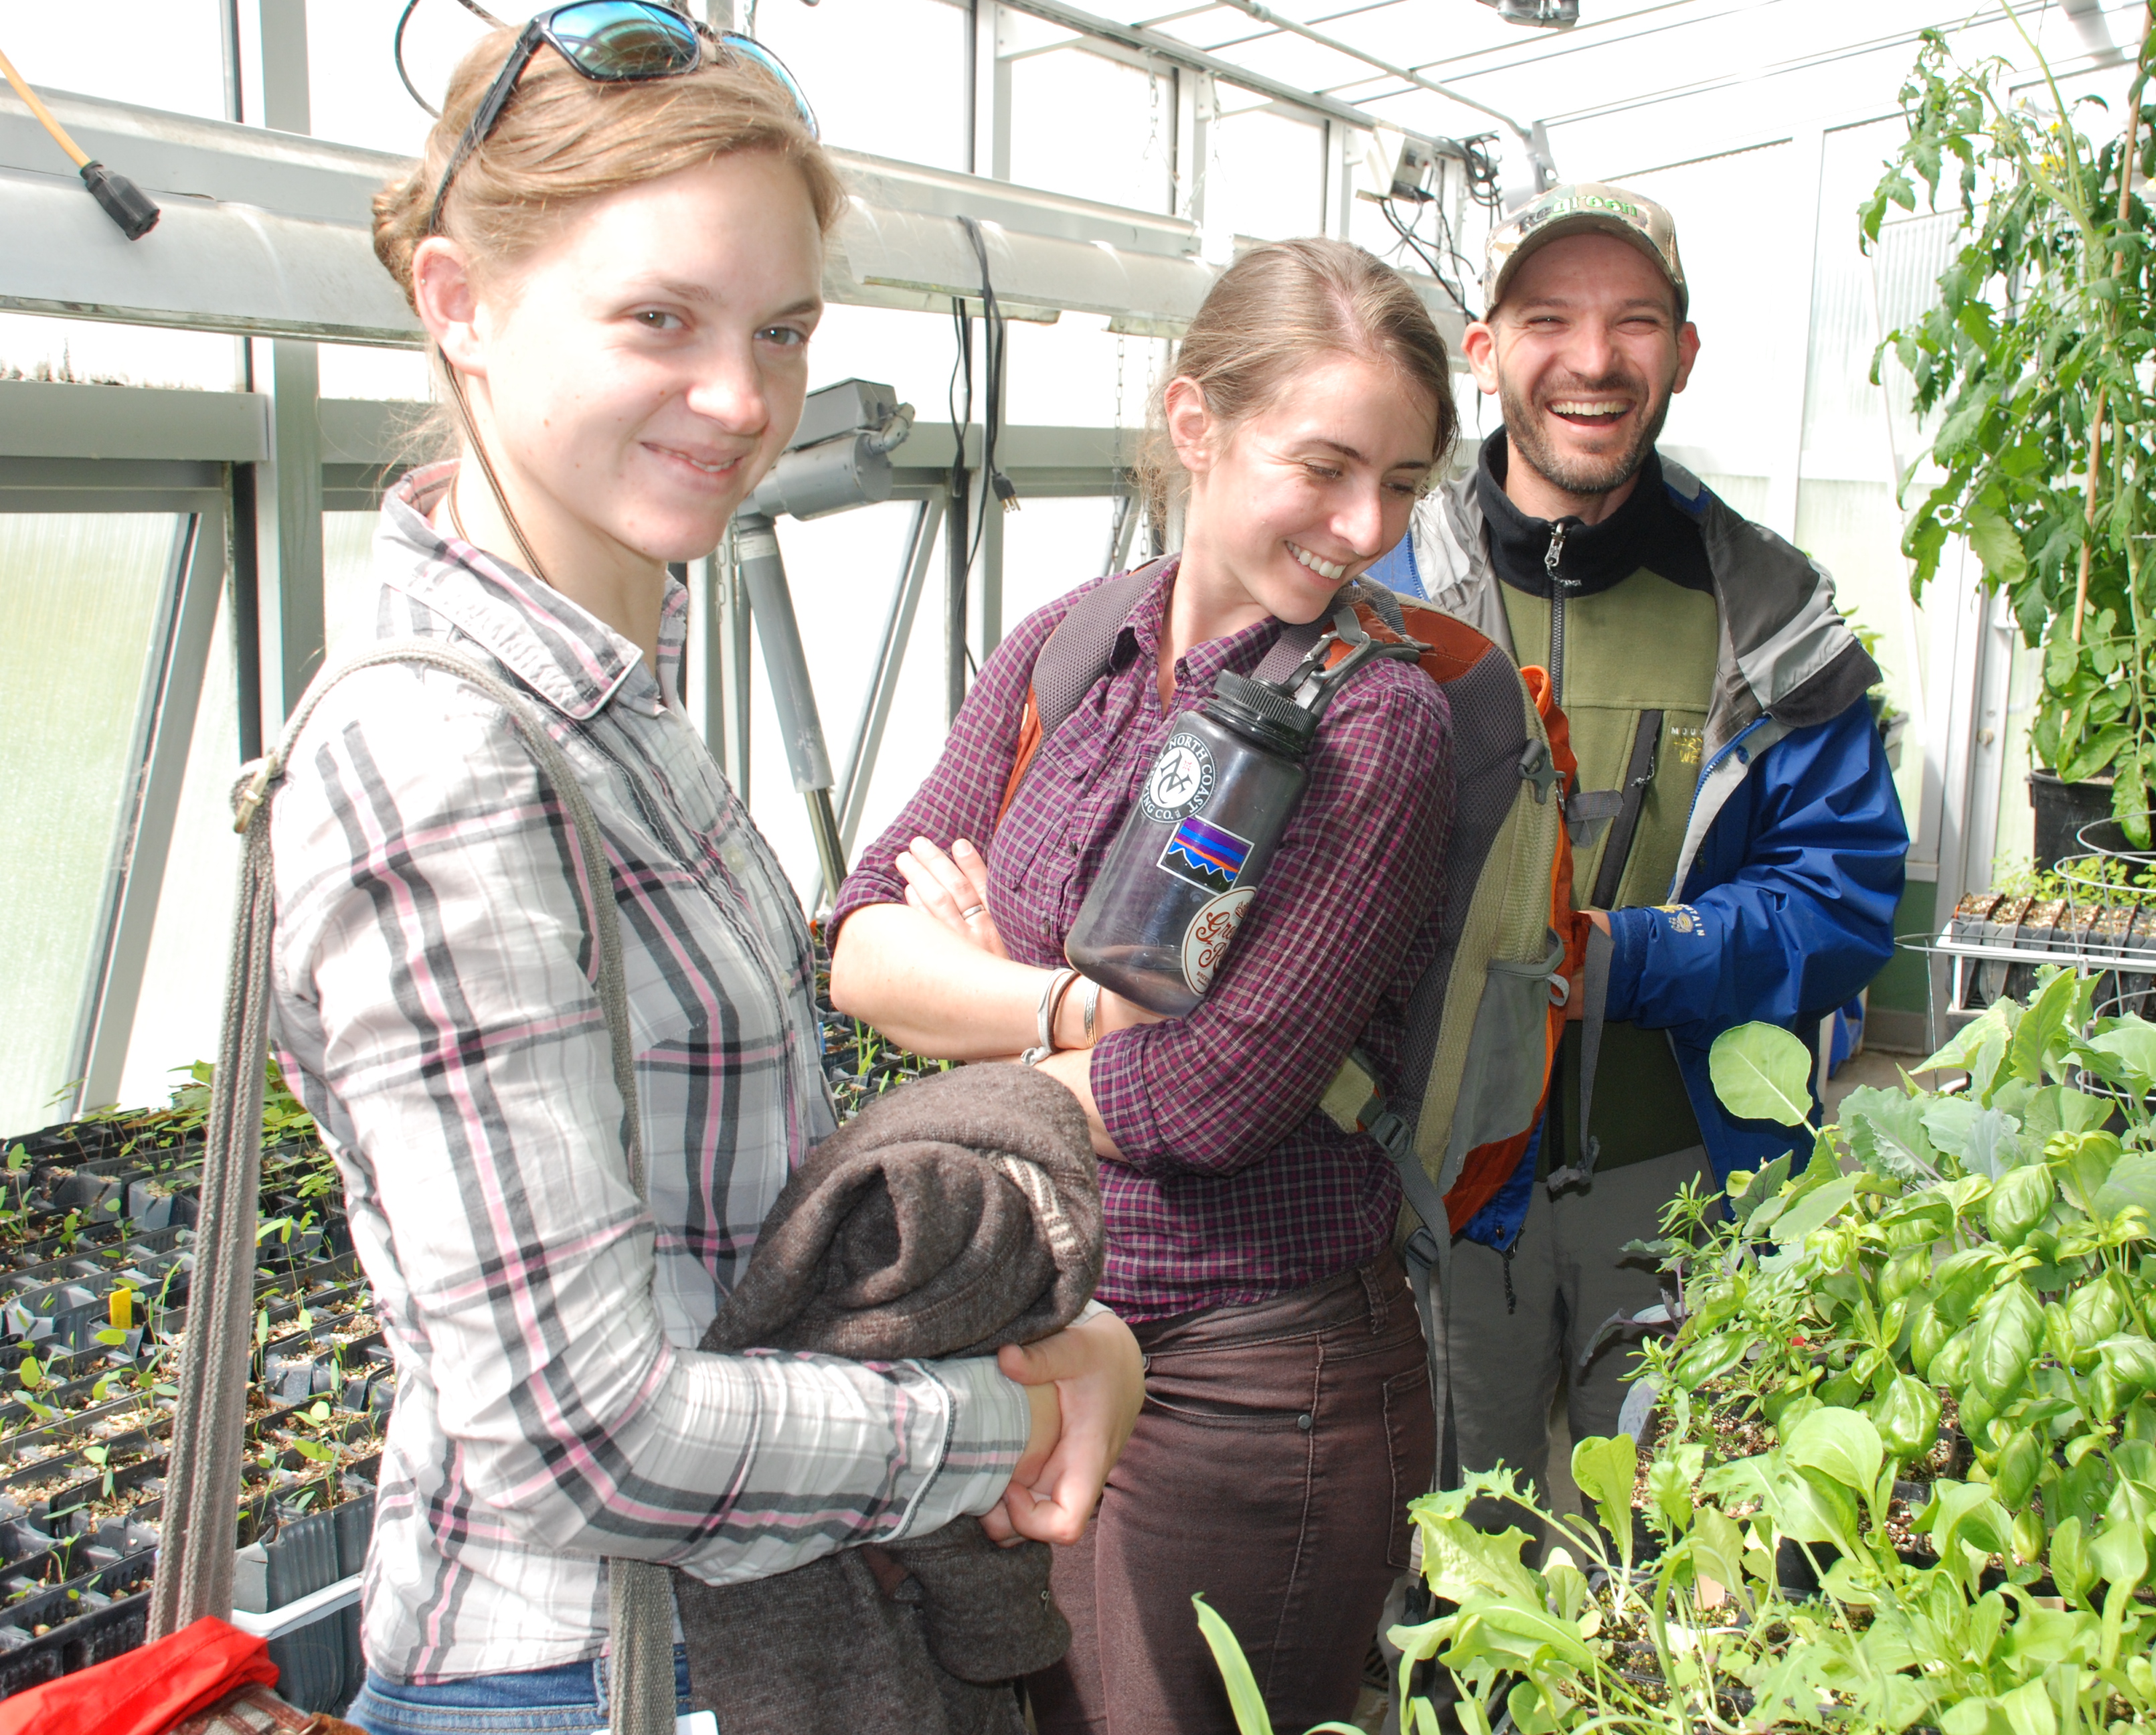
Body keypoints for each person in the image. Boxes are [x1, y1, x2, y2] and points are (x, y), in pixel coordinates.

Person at [270, 15, 1141, 1732]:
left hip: (694, 1645)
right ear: (463, 304)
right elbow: (582, 1433)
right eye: (657, 319)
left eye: (782, 330)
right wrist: (1013, 1413)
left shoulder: (611, 696)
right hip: (575, 1671)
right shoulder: (445, 759)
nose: (743, 400)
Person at [828, 238, 1457, 1734]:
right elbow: (858, 941)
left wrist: (970, 997)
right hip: (1040, 1328)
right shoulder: (1071, 647)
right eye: (1327, 467)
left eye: (1408, 484)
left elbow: (1210, 1098)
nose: (1367, 525)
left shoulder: (1377, 725)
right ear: (1196, 425)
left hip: (1251, 1381)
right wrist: (1067, 1008)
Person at [1362, 182, 1908, 1512]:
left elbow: (1842, 900)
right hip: (1434, 1192)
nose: (1594, 360)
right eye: (1548, 318)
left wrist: (1625, 959)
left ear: (1683, 352)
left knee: (1675, 1568)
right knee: (1448, 1563)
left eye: (1635, 322)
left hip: (1683, 1193)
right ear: (1483, 348)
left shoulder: (1766, 613)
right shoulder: (1377, 588)